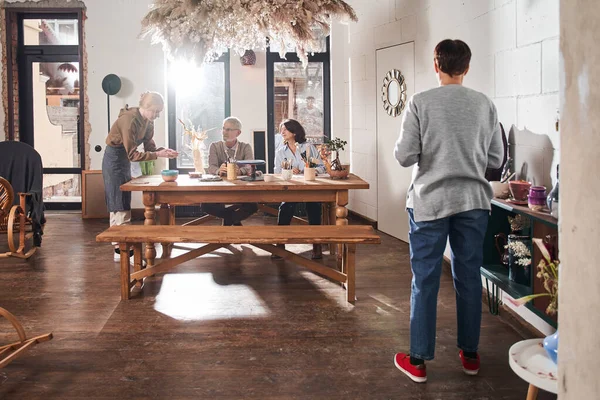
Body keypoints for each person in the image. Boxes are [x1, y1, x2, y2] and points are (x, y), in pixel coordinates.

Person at [392, 39, 504, 383]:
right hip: (473, 202)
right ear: (467, 68)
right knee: (469, 278)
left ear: (436, 65)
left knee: (424, 280)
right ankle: (470, 355)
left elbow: (404, 156)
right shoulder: (485, 104)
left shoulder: (420, 102)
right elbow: (496, 160)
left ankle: (418, 360)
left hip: (429, 202)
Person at [102, 91, 178, 261]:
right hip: (114, 159)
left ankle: (119, 249)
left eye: (160, 112)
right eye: (155, 111)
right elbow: (132, 155)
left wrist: (163, 152)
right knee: (119, 202)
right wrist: (158, 155)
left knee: (121, 200)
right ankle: (123, 251)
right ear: (145, 107)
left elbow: (150, 148)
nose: (157, 116)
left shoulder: (148, 121)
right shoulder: (129, 121)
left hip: (124, 159)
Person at [273, 119, 326, 259]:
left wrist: (310, 170)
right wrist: (288, 170)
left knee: (314, 206)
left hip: (310, 188)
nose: (281, 132)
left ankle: (316, 244)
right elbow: (277, 173)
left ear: (294, 132)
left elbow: (322, 167)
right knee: (285, 207)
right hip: (291, 189)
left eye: (285, 129)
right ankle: (280, 243)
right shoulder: (280, 151)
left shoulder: (308, 147)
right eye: (281, 129)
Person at [202, 116, 258, 226]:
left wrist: (239, 171)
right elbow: (211, 167)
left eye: (228, 129)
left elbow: (249, 166)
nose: (224, 132)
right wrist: (219, 170)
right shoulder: (214, 146)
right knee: (205, 205)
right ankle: (232, 219)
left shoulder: (245, 147)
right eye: (223, 128)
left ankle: (228, 220)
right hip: (219, 189)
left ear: (238, 133)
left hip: (241, 189)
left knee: (253, 205)